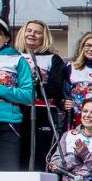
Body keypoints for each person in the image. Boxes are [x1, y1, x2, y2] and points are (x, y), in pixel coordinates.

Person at [0, 15, 35, 170]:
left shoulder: (17, 59)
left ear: (6, 37)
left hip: (6, 122)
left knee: (6, 172)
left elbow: (29, 96)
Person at [15, 18, 66, 171]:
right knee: (19, 152)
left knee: (40, 153)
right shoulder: (12, 56)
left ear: (44, 37)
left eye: (37, 32)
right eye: (29, 31)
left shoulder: (53, 59)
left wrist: (27, 89)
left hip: (42, 111)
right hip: (17, 110)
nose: (32, 34)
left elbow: (55, 87)